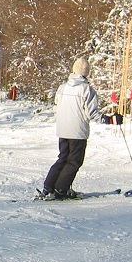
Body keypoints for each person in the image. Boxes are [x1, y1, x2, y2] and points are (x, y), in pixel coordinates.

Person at [40, 57, 101, 200]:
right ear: (86, 72)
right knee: (74, 161)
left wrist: (62, 121)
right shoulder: (86, 90)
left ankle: (49, 186)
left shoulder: (62, 88)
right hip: (77, 132)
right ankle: (61, 189)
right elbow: (91, 113)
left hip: (63, 130)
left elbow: (56, 108)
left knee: (63, 158)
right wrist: (109, 119)